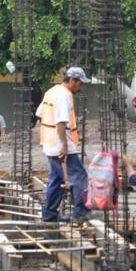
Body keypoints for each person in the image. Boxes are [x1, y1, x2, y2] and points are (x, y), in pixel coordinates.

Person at [36, 67, 92, 223]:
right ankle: (81, 213)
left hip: (50, 143)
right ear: (72, 81)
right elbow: (60, 122)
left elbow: (39, 114)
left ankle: (49, 214)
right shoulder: (63, 96)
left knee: (57, 179)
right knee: (79, 177)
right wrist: (64, 145)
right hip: (60, 144)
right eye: (80, 84)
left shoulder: (52, 91)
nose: (81, 88)